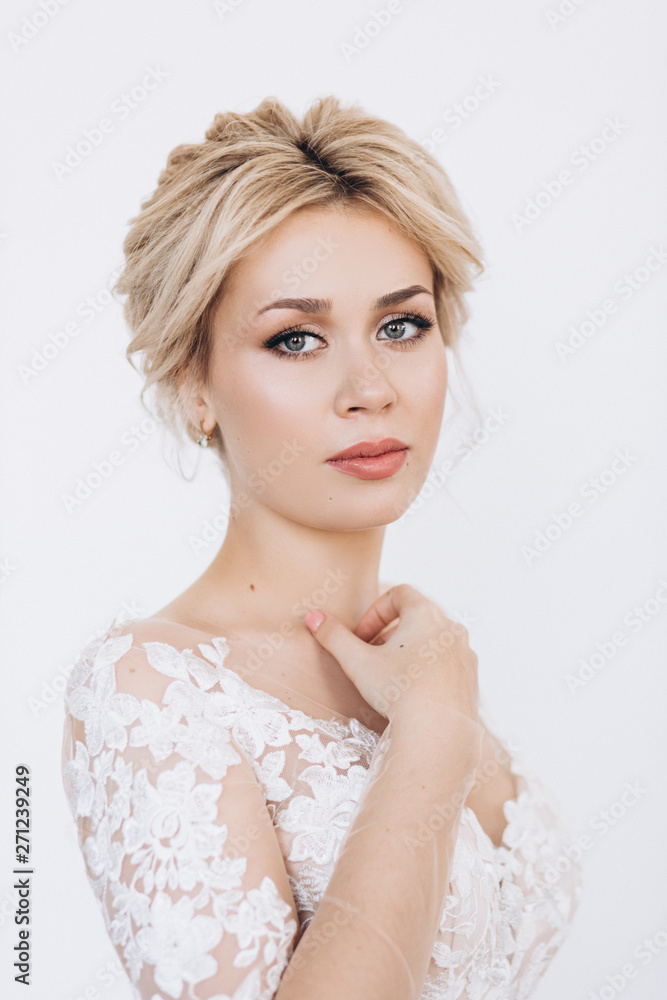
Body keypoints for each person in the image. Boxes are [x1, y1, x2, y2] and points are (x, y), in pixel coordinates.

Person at [61, 95, 583, 1000]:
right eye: (294, 338)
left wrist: (436, 709)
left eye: (400, 325)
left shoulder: (422, 660)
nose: (369, 386)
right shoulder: (149, 687)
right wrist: (429, 740)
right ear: (195, 386)